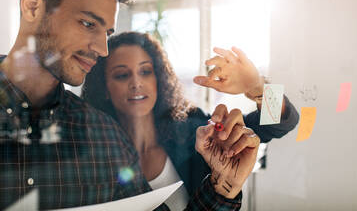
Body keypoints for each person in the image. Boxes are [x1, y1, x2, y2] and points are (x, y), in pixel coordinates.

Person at [0, 0, 258, 210]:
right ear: (33, 6)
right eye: (88, 23)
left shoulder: (108, 138)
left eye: (107, 33)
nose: (102, 50)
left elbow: (277, 121)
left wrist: (224, 186)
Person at [82, 32, 300, 210]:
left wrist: (256, 87)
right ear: (105, 88)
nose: (136, 83)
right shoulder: (94, 157)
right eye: (122, 75)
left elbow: (278, 123)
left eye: (146, 71)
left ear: (158, 78)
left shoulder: (191, 128)